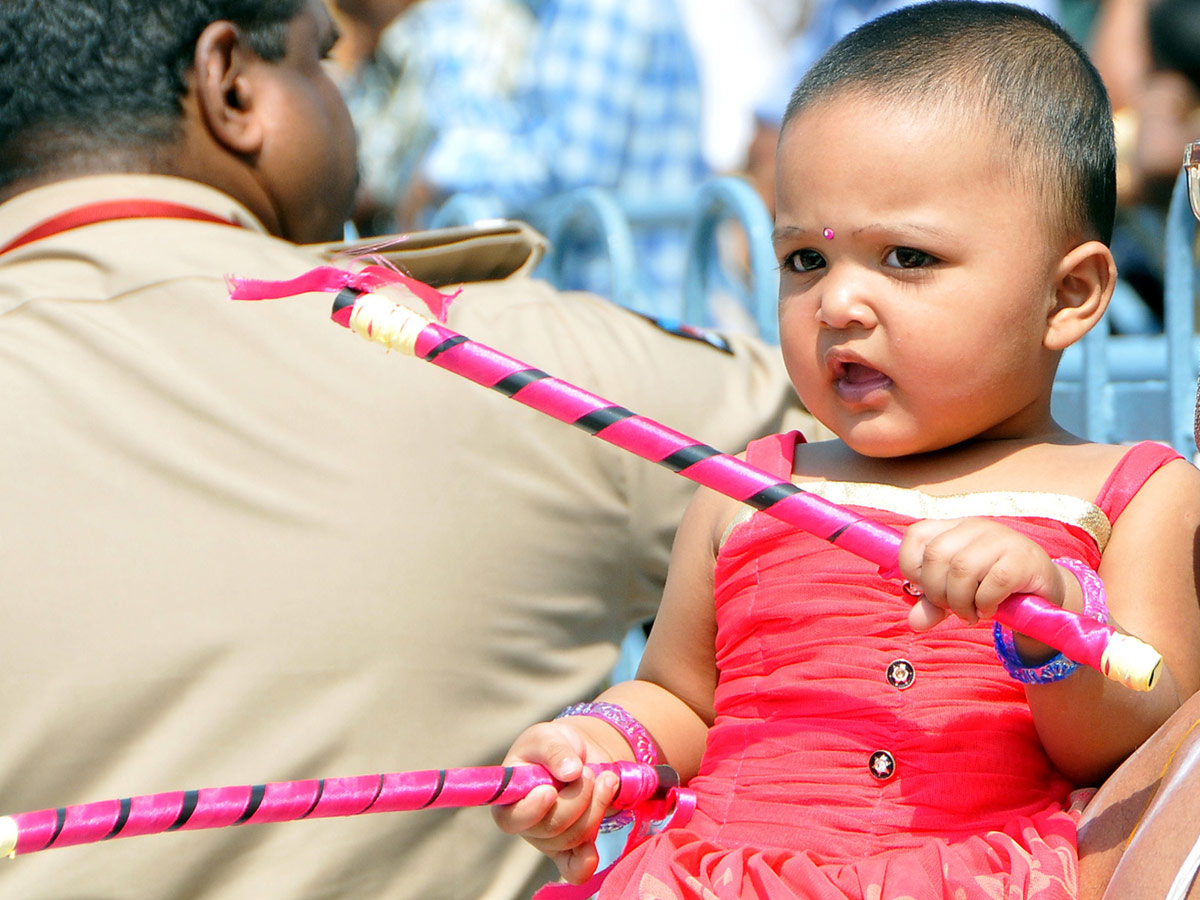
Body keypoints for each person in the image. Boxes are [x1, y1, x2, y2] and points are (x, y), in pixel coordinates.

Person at [0, 1, 825, 897]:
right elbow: (912, 456)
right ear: (232, 86)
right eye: (321, 61)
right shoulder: (497, 364)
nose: (343, 97)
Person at [492, 3, 1200, 898]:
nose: (838, 306)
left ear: (1071, 293)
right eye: (803, 261)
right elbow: (679, 699)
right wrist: (595, 747)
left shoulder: (1135, 493)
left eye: (904, 257)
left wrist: (1053, 619)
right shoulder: (746, 487)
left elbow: (1153, 743)